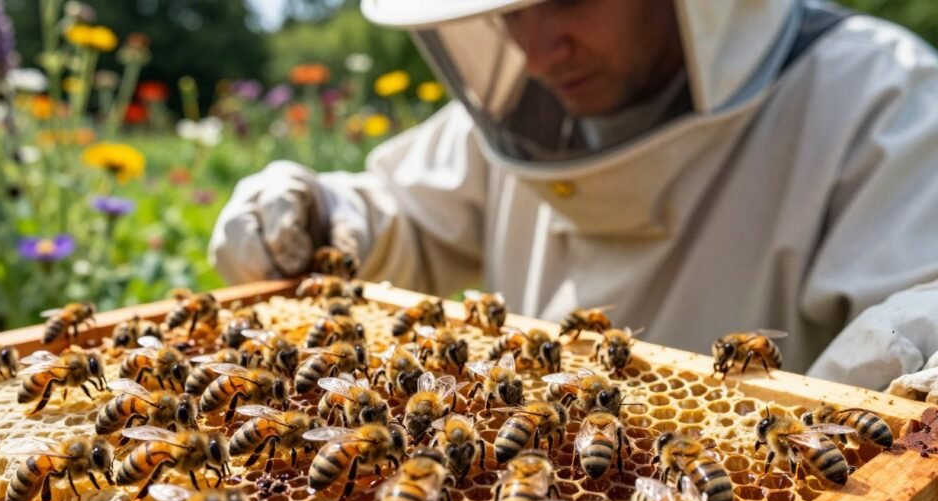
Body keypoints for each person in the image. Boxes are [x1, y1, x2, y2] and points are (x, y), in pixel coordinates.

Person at [209, 0, 938, 392]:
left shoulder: (885, 99)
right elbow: (402, 211)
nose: (536, 48)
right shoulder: (528, 109)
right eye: (509, 12)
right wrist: (322, 214)